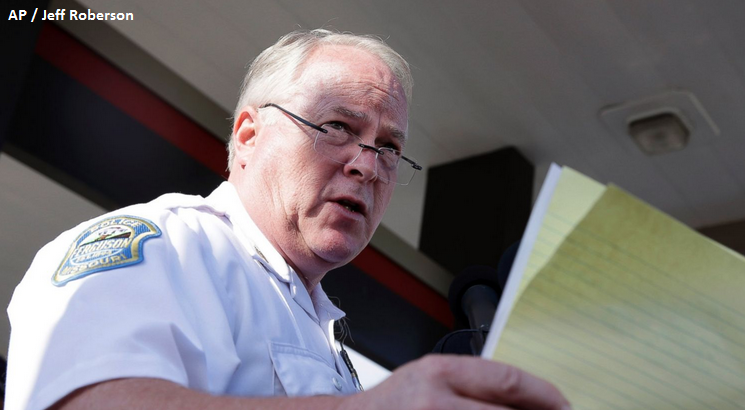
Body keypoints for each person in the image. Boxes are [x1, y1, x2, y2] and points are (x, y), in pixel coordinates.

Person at [6, 29, 570, 410]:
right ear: (249, 134)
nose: (368, 165)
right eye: (338, 127)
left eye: (389, 148)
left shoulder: (329, 340)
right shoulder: (167, 245)